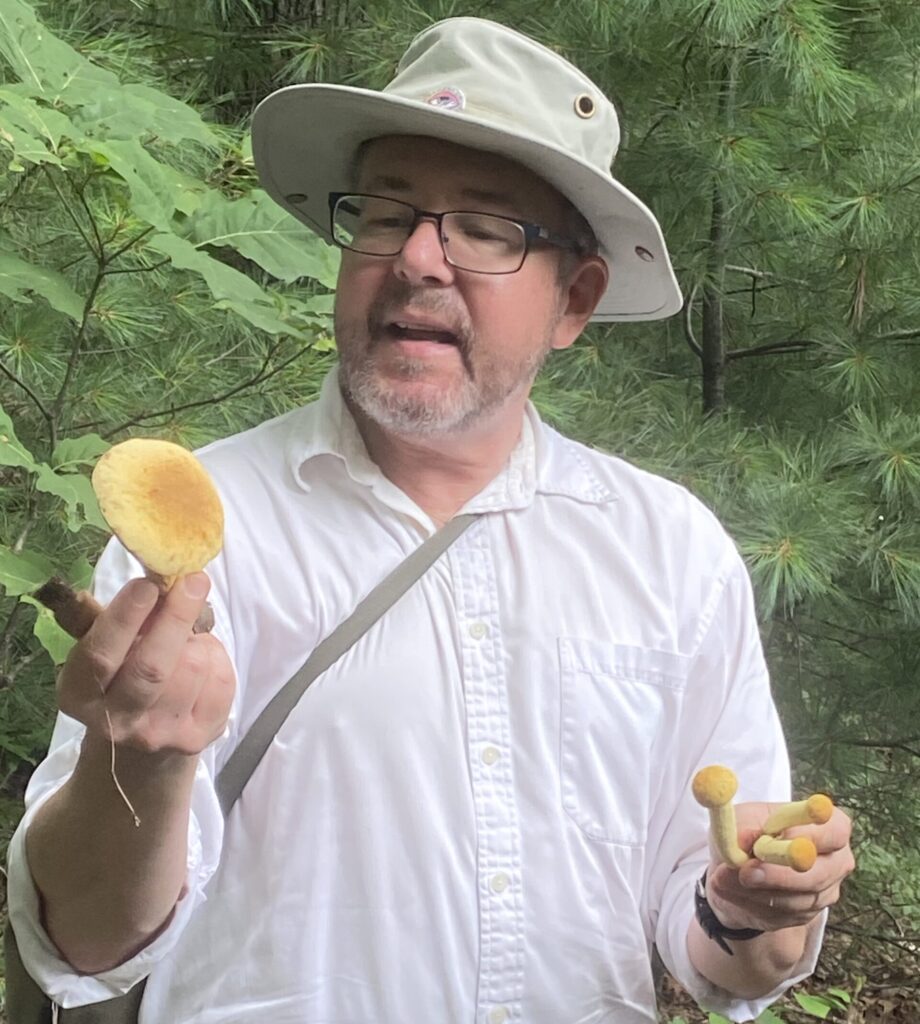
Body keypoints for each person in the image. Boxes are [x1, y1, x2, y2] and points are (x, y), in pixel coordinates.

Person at [6, 16, 854, 1024]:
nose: (415, 258)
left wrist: (752, 909)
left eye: (485, 229)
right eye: (382, 214)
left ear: (573, 300)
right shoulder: (205, 532)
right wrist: (132, 759)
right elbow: (82, 947)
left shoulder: (666, 551)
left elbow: (722, 951)